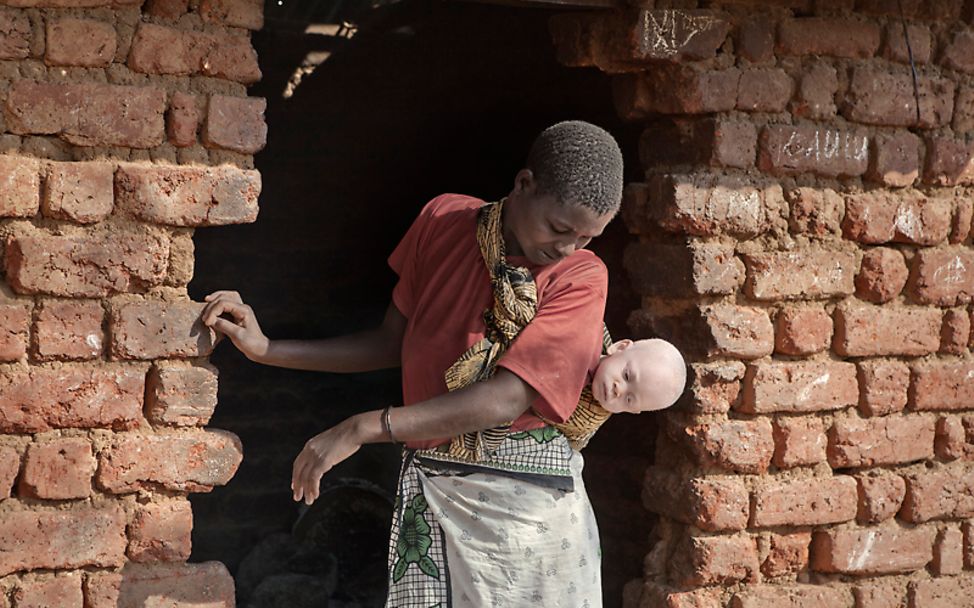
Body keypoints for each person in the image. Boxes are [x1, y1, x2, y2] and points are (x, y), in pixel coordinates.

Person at [201, 120, 625, 607]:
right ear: (524, 184)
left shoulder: (581, 277)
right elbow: (391, 343)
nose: (567, 248)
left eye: (587, 237)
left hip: (528, 519)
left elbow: (509, 396)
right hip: (434, 496)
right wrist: (267, 349)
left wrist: (365, 426)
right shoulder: (443, 222)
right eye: (559, 228)